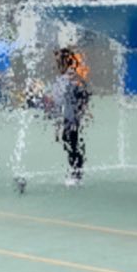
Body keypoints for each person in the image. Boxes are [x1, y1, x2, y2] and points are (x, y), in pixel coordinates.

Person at [48, 47, 91, 186]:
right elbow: (58, 97)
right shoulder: (63, 76)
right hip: (67, 113)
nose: (56, 62)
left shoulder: (72, 76)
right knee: (67, 139)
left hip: (72, 114)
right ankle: (75, 170)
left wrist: (81, 108)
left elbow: (82, 92)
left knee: (72, 140)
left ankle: (76, 173)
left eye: (58, 59)